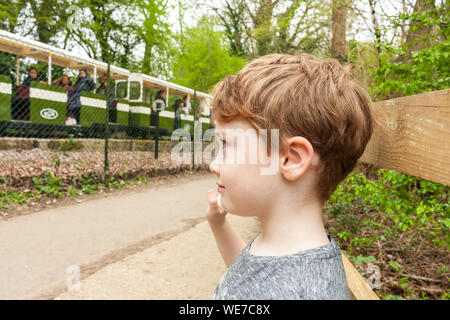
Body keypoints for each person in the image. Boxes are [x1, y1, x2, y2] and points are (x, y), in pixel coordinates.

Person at [206, 53, 375, 300]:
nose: (214, 165)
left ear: (290, 159)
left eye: (226, 144)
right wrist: (219, 226)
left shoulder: (307, 291)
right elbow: (251, 279)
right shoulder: (283, 246)